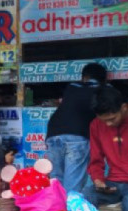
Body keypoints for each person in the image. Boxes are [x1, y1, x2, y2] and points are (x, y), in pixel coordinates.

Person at [45, 62, 106, 193]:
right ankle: (69, 207)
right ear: (104, 79)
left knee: (56, 181)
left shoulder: (71, 87)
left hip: (53, 134)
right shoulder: (103, 90)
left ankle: (57, 206)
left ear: (84, 77)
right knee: (72, 186)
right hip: (78, 136)